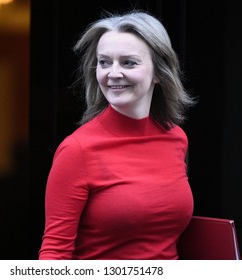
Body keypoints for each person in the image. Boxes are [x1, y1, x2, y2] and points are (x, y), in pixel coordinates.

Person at [39, 11, 195, 260]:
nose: (113, 73)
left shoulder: (176, 139)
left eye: (128, 62)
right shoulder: (77, 150)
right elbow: (55, 251)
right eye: (104, 62)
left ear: (159, 73)